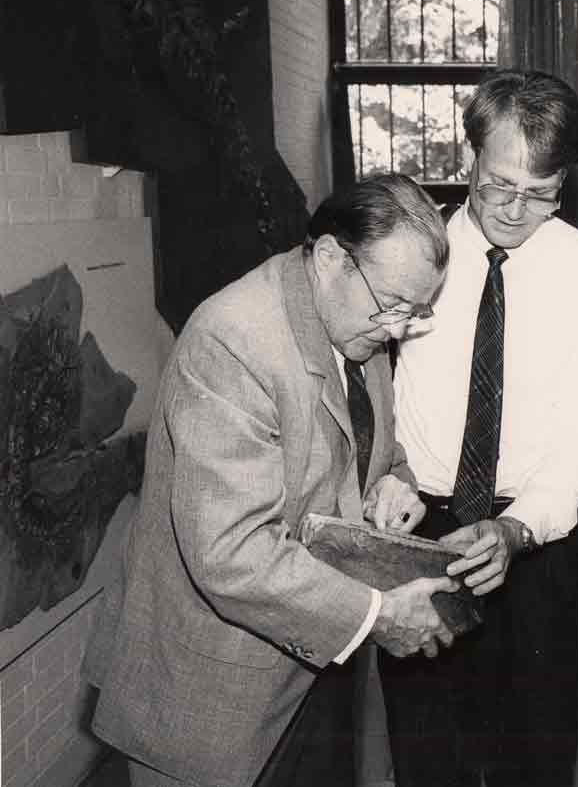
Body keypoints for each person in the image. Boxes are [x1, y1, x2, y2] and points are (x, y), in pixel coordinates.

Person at [82, 174, 462, 787]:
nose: (398, 328)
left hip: (312, 669)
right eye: (393, 305)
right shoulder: (235, 341)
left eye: (416, 313)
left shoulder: (358, 325)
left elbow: (367, 450)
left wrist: (394, 481)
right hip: (210, 693)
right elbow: (230, 551)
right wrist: (377, 616)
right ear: (334, 258)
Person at [377, 69, 578, 787]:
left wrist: (515, 532)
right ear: (469, 159)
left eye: (542, 192)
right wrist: (384, 472)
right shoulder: (413, 257)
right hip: (419, 529)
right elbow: (370, 390)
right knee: (427, 757)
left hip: (536, 545)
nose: (517, 209)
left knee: (535, 762)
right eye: (499, 185)